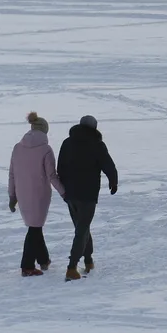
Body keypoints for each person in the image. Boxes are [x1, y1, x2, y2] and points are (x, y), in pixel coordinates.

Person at [55, 115, 118, 281]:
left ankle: (88, 261)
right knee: (82, 229)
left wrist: (64, 188)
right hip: (88, 194)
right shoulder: (97, 144)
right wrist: (113, 182)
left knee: (82, 227)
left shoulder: (67, 143)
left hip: (70, 193)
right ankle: (71, 267)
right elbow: (108, 165)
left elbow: (60, 167)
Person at [8, 112, 65, 276]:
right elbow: (52, 176)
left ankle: (43, 259)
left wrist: (12, 196)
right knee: (34, 228)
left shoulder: (17, 147)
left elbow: (12, 174)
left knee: (35, 226)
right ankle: (27, 266)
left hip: (22, 194)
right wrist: (64, 193)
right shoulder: (46, 150)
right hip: (40, 195)